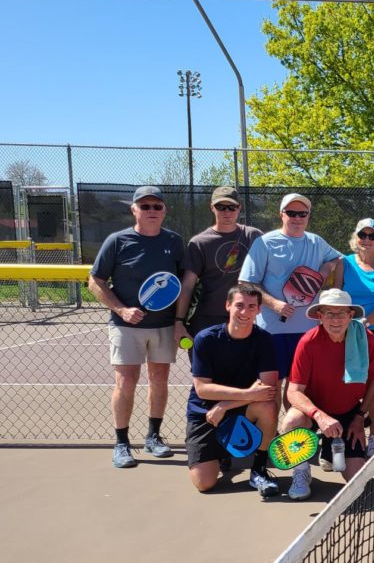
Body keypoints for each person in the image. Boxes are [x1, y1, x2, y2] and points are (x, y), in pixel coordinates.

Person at [88, 185, 185, 468]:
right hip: (125, 325)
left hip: (164, 325)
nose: (151, 211)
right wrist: (121, 309)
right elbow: (95, 281)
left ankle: (153, 437)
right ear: (134, 210)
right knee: (126, 381)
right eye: (145, 206)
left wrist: (179, 322)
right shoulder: (117, 241)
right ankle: (121, 443)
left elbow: (184, 284)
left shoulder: (174, 241)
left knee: (159, 379)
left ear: (165, 210)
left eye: (157, 206)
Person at [277, 289, 374, 500]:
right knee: (291, 420)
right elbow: (293, 391)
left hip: (350, 413)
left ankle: (330, 450)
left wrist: (360, 417)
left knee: (358, 485)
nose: (336, 319)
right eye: (329, 313)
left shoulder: (367, 338)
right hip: (314, 412)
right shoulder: (308, 342)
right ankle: (301, 472)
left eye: (341, 313)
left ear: (351, 315)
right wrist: (319, 415)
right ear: (320, 316)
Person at [237, 193, 341, 406]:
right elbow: (246, 282)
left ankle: (292, 436)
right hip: (272, 331)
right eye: (291, 213)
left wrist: (324, 269)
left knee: (299, 388)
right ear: (281, 215)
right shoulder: (265, 243)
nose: (297, 218)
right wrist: (274, 304)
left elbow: (337, 258)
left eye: (302, 213)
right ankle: (269, 436)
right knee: (270, 389)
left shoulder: (316, 242)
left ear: (308, 216)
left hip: (308, 330)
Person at [186, 284, 279, 497]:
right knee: (204, 483)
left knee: (267, 406)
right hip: (205, 414)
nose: (245, 312)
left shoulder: (264, 340)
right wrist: (247, 395)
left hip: (238, 408)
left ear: (259, 310)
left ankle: (258, 469)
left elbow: (267, 389)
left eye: (251, 307)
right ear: (228, 306)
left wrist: (225, 404)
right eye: (239, 305)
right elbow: (203, 390)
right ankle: (222, 453)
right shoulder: (206, 339)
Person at [330, 217, 374, 451]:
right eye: (363, 235)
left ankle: (373, 438)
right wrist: (347, 323)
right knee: (342, 382)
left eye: (372, 236)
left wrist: (364, 322)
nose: (366, 240)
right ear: (355, 238)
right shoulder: (344, 263)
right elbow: (336, 299)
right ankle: (336, 438)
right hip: (345, 331)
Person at [175, 186, 263, 347]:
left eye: (232, 207)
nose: (226, 212)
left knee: (242, 372)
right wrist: (179, 321)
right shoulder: (199, 242)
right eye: (220, 207)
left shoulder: (253, 236)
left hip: (244, 317)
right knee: (206, 372)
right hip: (207, 320)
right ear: (212, 207)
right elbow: (187, 285)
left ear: (239, 208)